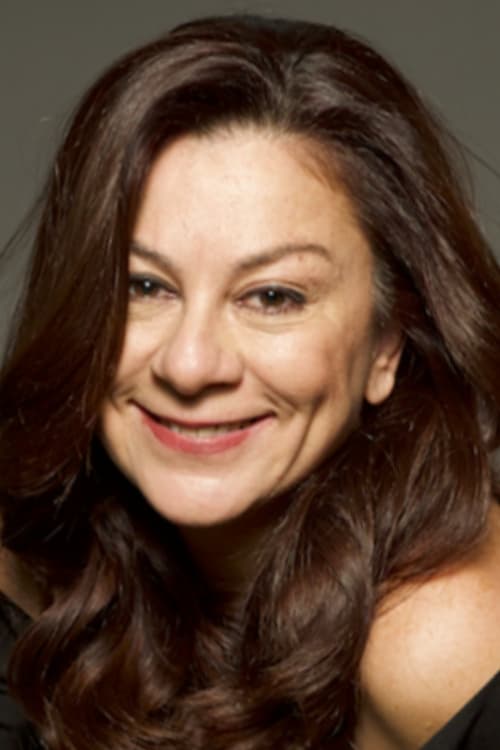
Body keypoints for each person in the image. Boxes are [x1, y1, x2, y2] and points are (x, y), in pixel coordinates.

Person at [0, 13, 499, 750]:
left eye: (272, 297)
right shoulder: (39, 564)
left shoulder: (446, 640)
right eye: (144, 286)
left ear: (387, 342)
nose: (189, 364)